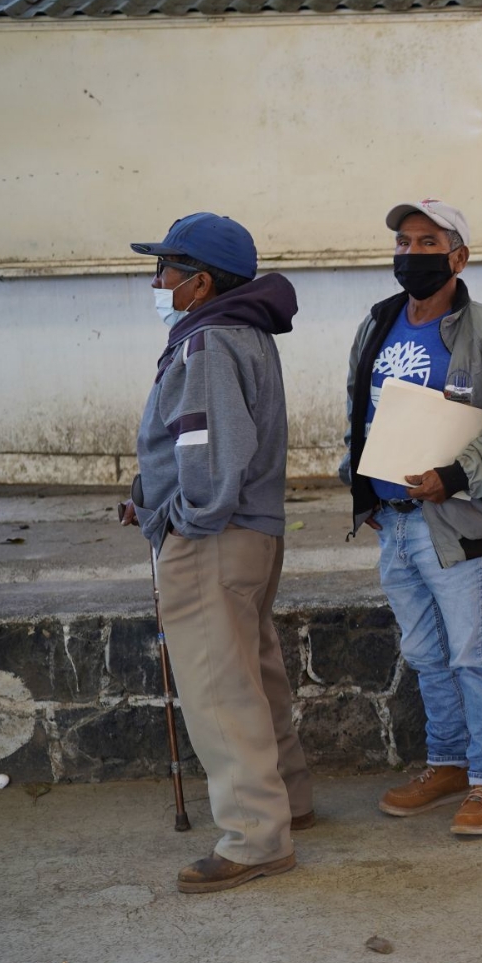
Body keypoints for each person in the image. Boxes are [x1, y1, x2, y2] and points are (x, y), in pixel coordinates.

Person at [121, 212, 311, 893]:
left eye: (166, 269)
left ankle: (256, 839)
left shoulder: (208, 343)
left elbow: (206, 448)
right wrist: (153, 499)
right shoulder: (245, 333)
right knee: (255, 673)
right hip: (250, 531)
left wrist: (178, 515)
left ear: (199, 283)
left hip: (211, 537)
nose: (156, 280)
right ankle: (288, 799)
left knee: (219, 690)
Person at [340, 199, 482, 837]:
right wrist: (364, 492)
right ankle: (448, 764)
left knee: (472, 654)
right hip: (393, 523)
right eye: (403, 240)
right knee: (426, 653)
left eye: (428, 242)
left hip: (454, 524)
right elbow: (358, 413)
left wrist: (452, 478)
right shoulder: (378, 323)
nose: (411, 252)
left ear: (458, 257)